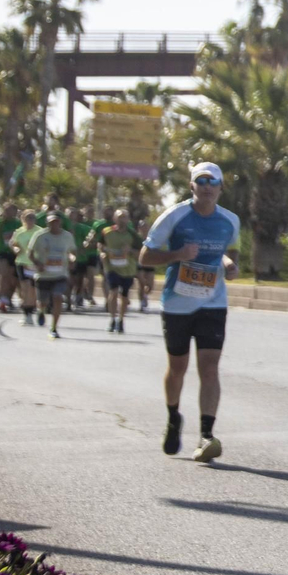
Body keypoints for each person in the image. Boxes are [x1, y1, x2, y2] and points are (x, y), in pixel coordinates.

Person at [140, 162, 241, 462]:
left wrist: (229, 265)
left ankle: (206, 434)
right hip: (177, 304)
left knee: (209, 368)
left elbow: (231, 249)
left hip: (213, 303)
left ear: (221, 188)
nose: (208, 186)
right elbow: (145, 256)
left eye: (214, 182)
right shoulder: (175, 216)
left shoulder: (230, 220)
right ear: (192, 185)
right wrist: (176, 255)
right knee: (178, 368)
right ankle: (173, 417)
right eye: (202, 180)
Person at [29, 212, 76, 339]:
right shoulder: (40, 235)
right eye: (51, 222)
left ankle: (54, 327)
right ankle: (41, 311)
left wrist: (72, 259)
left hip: (60, 274)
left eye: (56, 222)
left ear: (60, 222)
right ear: (47, 223)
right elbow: (30, 253)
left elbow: (72, 251)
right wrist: (37, 264)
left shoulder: (67, 236)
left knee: (57, 297)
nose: (53, 224)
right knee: (43, 301)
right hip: (43, 275)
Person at [99, 209, 140, 334]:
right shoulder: (107, 231)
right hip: (112, 267)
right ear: (114, 219)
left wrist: (130, 251)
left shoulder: (133, 235)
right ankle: (112, 319)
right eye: (119, 217)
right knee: (114, 291)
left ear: (128, 220)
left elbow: (140, 253)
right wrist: (102, 253)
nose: (122, 220)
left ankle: (121, 320)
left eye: (124, 217)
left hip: (128, 269)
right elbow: (100, 245)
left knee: (124, 295)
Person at [0, 203, 23, 314]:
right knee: (4, 275)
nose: (8, 213)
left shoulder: (18, 223)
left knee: (13, 279)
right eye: (6, 210)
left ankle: (6, 297)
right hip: (2, 251)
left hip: (14, 253)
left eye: (11, 210)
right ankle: (2, 300)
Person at [10, 210, 43, 326]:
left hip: (34, 263)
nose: (30, 221)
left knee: (33, 289)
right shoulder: (19, 232)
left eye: (32, 218)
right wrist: (16, 249)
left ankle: (33, 310)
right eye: (28, 218)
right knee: (25, 288)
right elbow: (14, 244)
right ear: (23, 219)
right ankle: (27, 313)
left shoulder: (39, 231)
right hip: (22, 262)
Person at [135, 218, 156, 313]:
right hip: (139, 263)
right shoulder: (136, 238)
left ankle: (145, 296)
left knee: (150, 285)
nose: (144, 228)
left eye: (146, 226)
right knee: (141, 283)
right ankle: (141, 302)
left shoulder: (152, 238)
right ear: (139, 228)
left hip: (150, 263)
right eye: (142, 226)